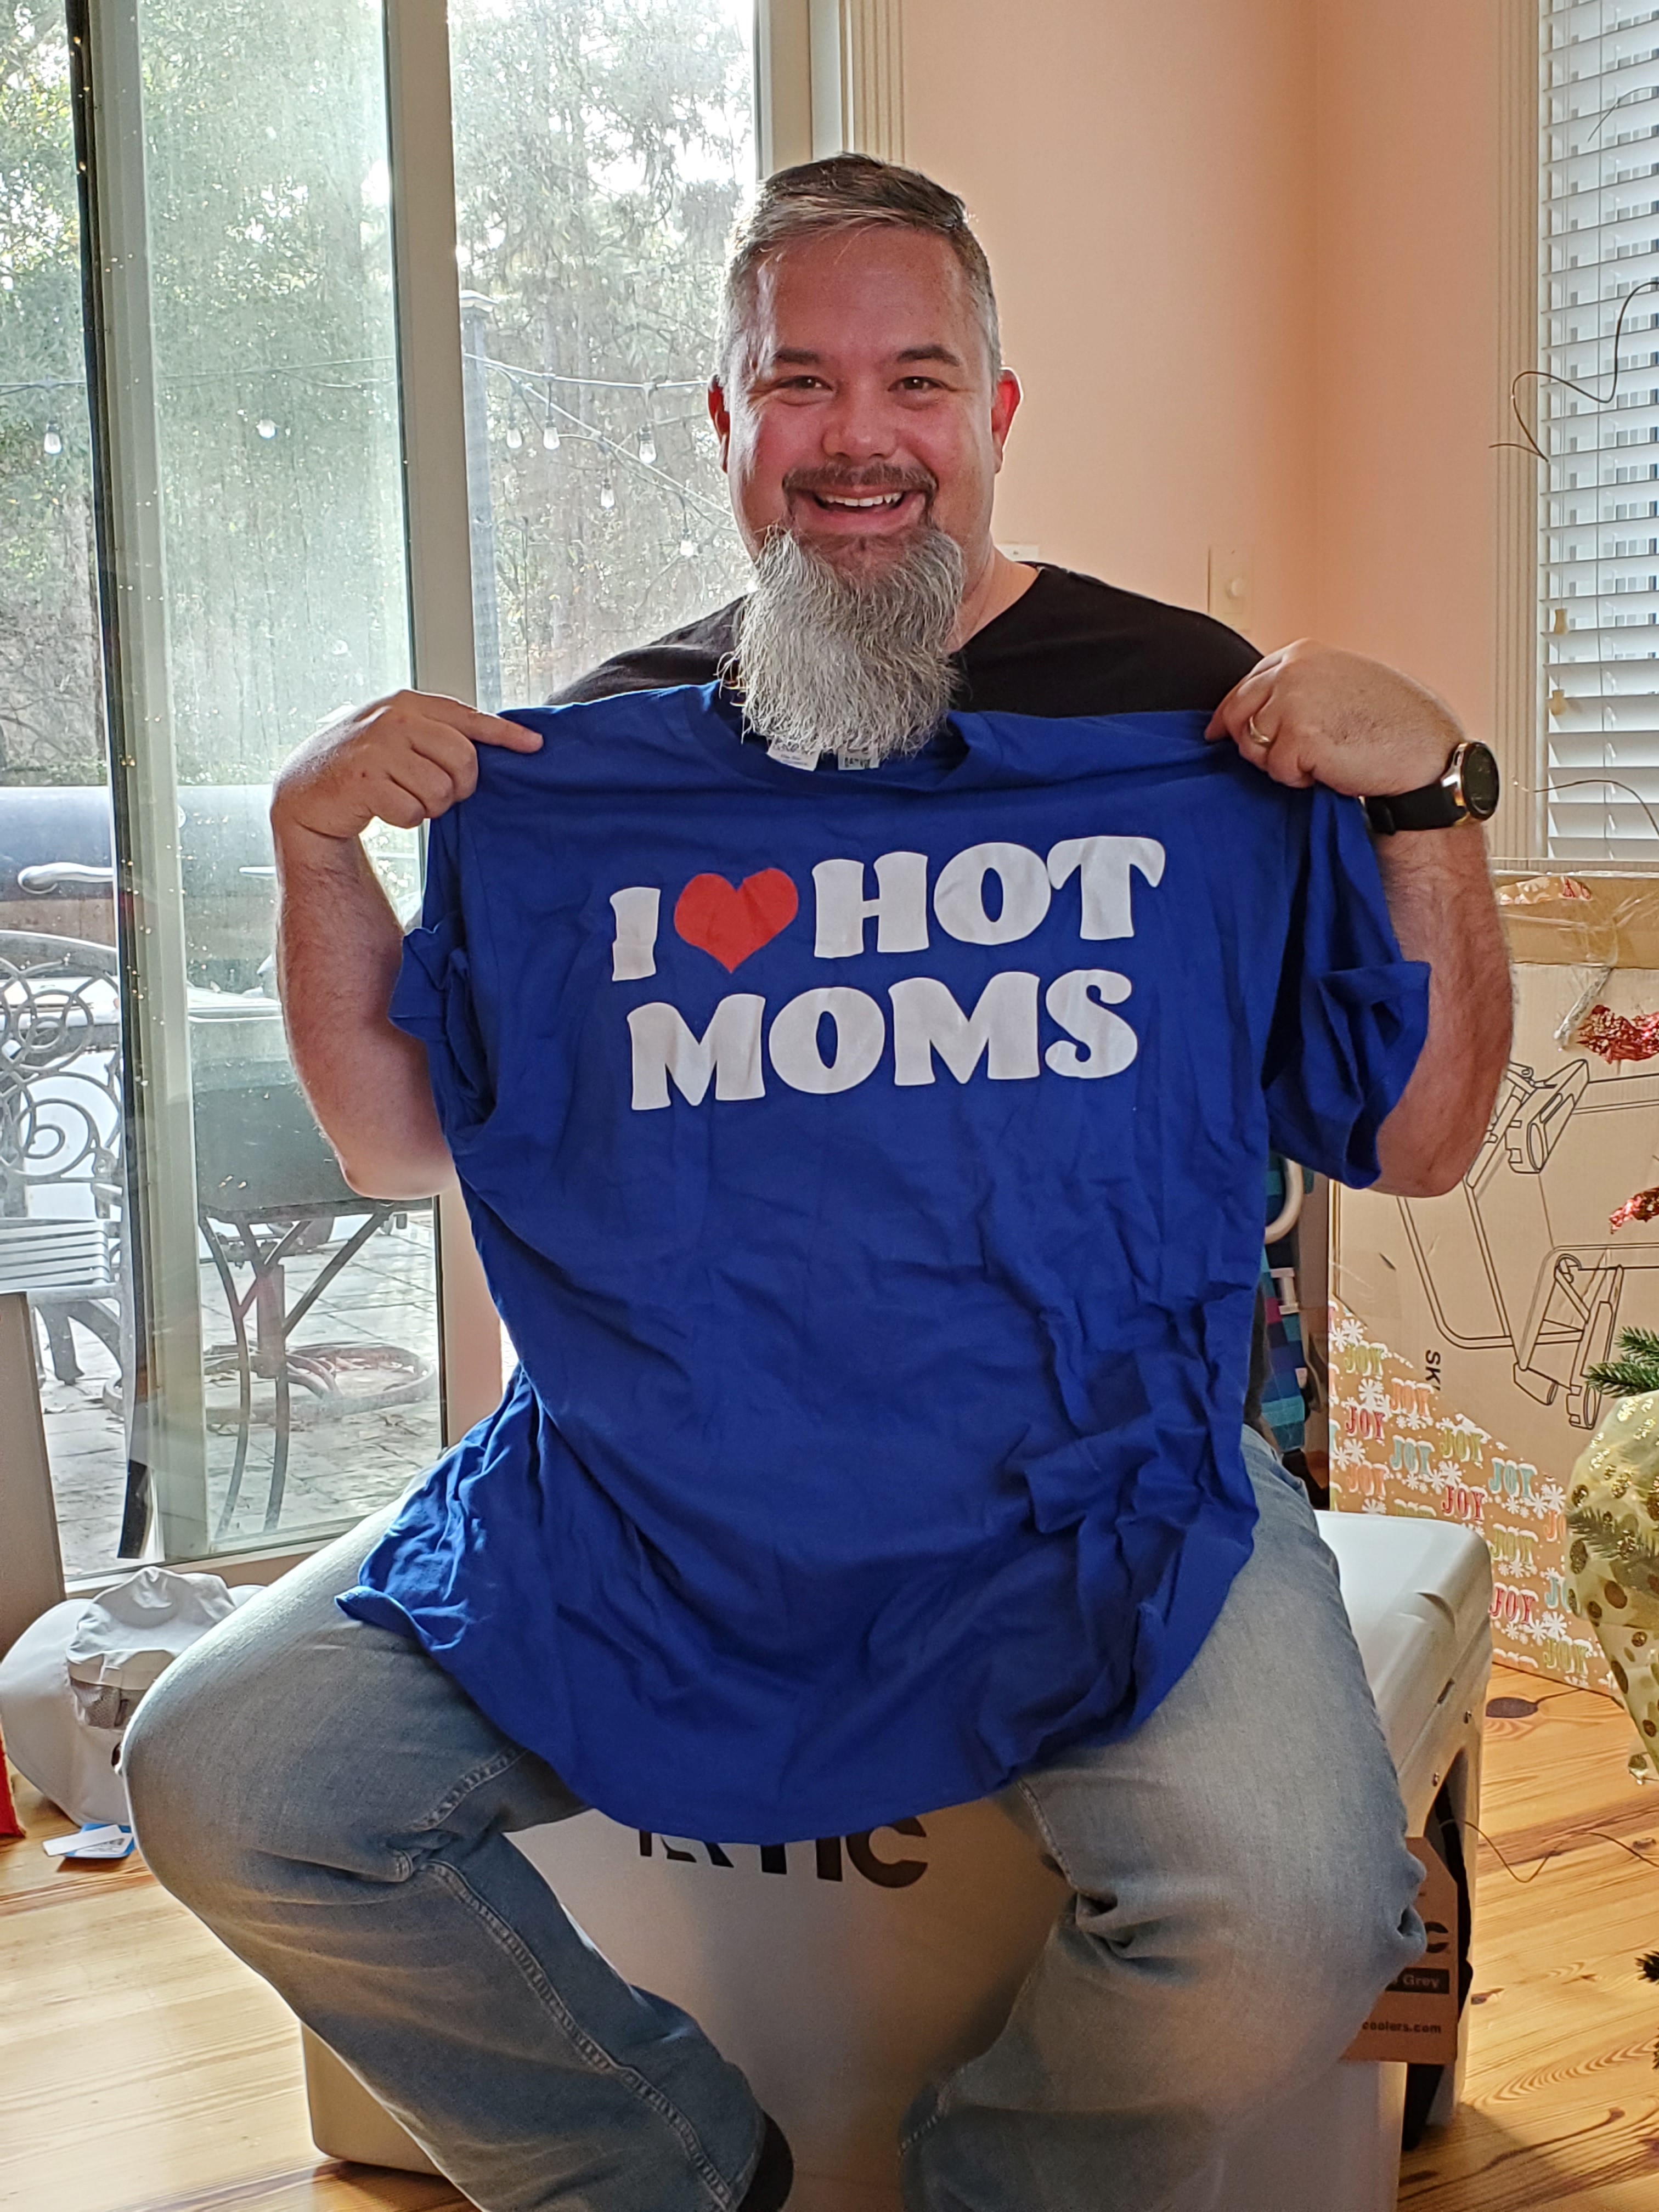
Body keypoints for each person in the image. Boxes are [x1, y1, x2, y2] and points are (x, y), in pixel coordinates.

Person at [124, 155, 1512, 2212]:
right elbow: (397, 1141)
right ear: (727, 416)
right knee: (222, 1774)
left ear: (996, 411)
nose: (859, 437)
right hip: (644, 1503)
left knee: (1302, 1914)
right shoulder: (602, 757)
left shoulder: (1192, 718)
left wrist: (1432, 796)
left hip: (1093, 1495)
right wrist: (314, 850)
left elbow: (1419, 1139)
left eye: (915, 380)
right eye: (799, 382)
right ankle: (661, 2178)